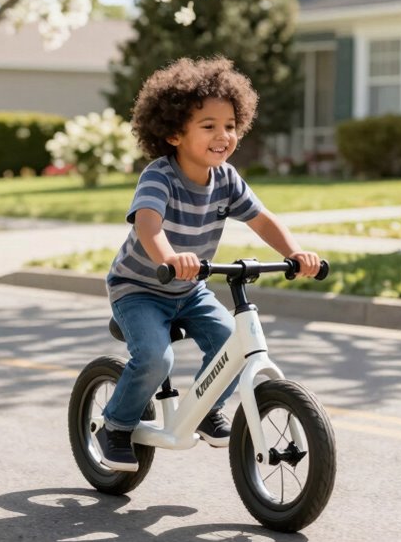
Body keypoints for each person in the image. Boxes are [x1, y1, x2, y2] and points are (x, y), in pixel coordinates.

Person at [99, 57, 321, 471]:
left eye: (230, 125)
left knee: (231, 343)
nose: (224, 135)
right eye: (209, 126)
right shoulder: (159, 176)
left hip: (189, 288)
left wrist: (294, 253)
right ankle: (115, 424)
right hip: (140, 288)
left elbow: (262, 218)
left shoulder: (227, 178)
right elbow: (148, 225)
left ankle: (206, 410)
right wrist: (169, 257)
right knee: (155, 359)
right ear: (173, 133)